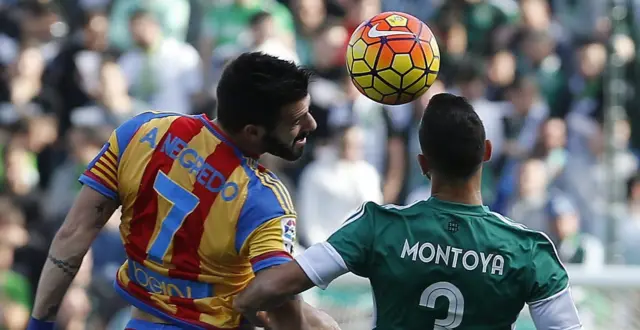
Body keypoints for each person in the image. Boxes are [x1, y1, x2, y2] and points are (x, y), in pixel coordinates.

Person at [26, 52, 339, 330]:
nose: (311, 124)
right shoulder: (264, 199)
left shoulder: (142, 133)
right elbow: (278, 301)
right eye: (297, 120)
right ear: (252, 132)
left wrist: (39, 324)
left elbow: (74, 234)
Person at [233, 93, 583, 330]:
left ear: (422, 163)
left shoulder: (377, 226)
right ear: (487, 152)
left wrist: (246, 304)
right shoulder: (529, 250)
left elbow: (275, 286)